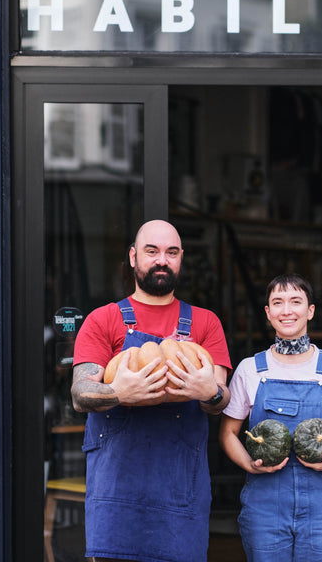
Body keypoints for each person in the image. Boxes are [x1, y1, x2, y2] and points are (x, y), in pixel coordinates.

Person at [71, 219, 231, 562]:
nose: (162, 260)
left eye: (171, 252)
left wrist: (210, 393)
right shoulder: (104, 319)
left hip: (180, 493)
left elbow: (220, 401)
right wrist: (118, 394)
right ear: (133, 257)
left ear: (181, 258)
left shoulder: (205, 323)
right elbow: (80, 393)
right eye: (152, 251)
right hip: (118, 494)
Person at [219, 273, 322, 562]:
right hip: (265, 503)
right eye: (277, 302)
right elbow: (227, 433)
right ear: (268, 312)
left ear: (310, 310)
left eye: (295, 301)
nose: (286, 310)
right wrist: (249, 464)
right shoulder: (251, 369)